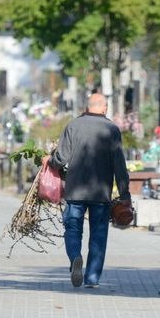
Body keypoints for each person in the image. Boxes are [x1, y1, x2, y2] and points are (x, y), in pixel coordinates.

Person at [51, 92, 131, 288]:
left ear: (87, 107)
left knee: (73, 229)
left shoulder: (73, 125)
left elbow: (61, 158)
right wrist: (124, 194)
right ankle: (92, 278)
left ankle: (75, 258)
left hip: (75, 190)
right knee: (98, 234)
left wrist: (49, 160)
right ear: (104, 108)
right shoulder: (111, 129)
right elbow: (119, 165)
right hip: (100, 192)